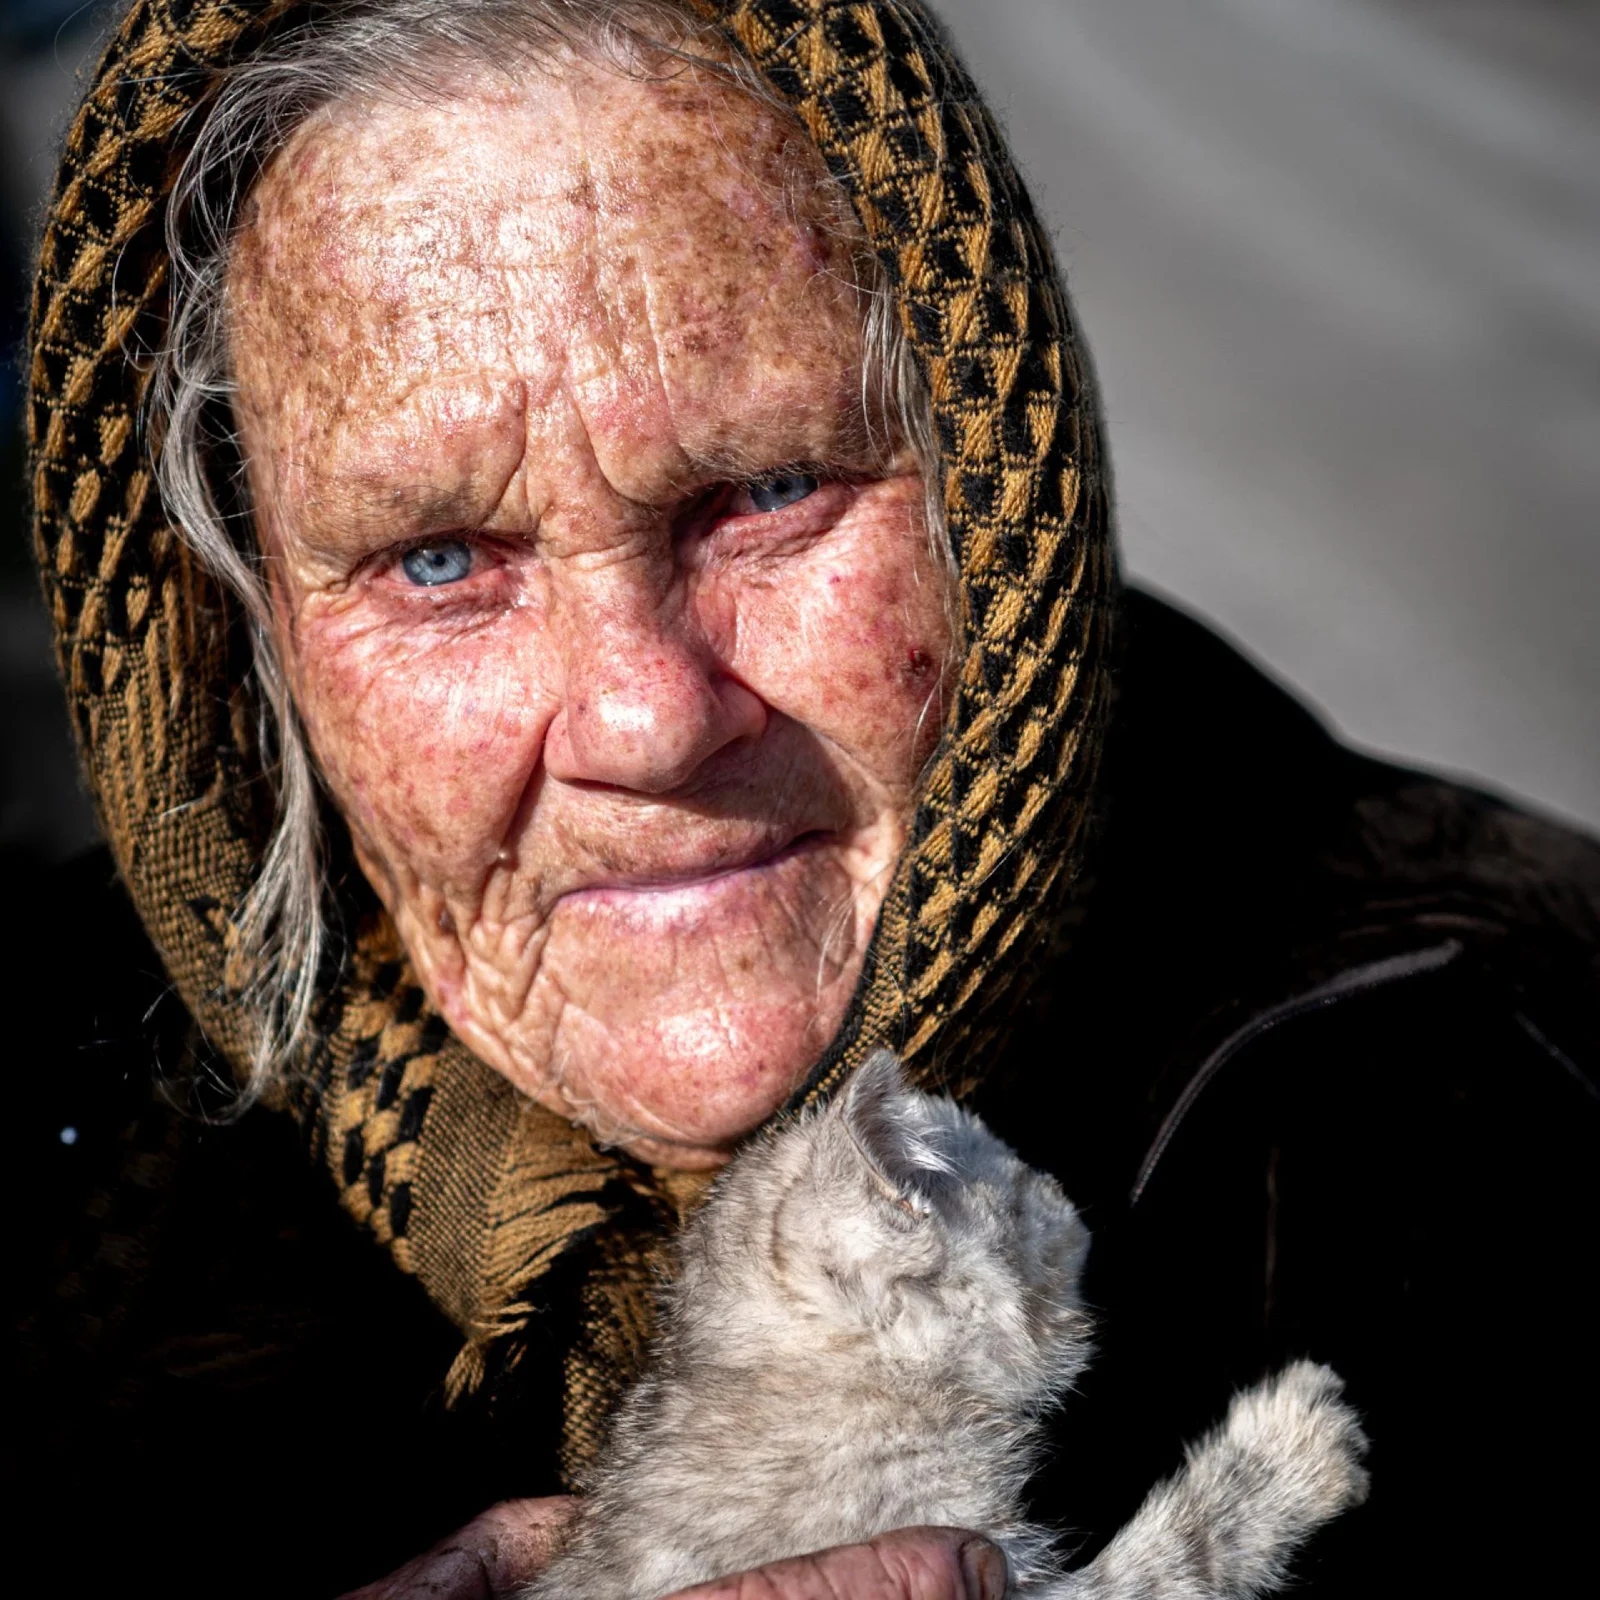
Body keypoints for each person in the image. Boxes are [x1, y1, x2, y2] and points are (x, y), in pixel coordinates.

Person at [11, 2, 1597, 1596]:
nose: (646, 719)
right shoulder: (54, 1145)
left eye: (769, 492)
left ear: (989, 481)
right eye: (437, 560)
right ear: (245, 632)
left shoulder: (1498, 1103)